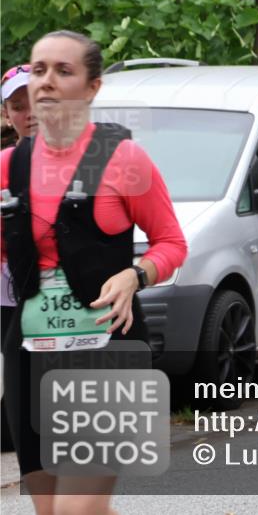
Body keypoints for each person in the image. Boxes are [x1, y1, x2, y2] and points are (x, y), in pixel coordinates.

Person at [1, 31, 187, 515]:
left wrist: (135, 276)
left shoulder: (123, 159)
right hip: (30, 352)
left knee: (75, 511)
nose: (46, 82)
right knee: (52, 511)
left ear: (92, 87)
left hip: (108, 349)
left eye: (63, 71)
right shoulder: (7, 167)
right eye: (39, 69)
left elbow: (172, 243)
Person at [1, 64, 36, 453]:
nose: (30, 114)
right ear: (7, 115)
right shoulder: (4, 164)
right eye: (17, 105)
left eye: (37, 102)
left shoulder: (87, 161)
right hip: (9, 295)